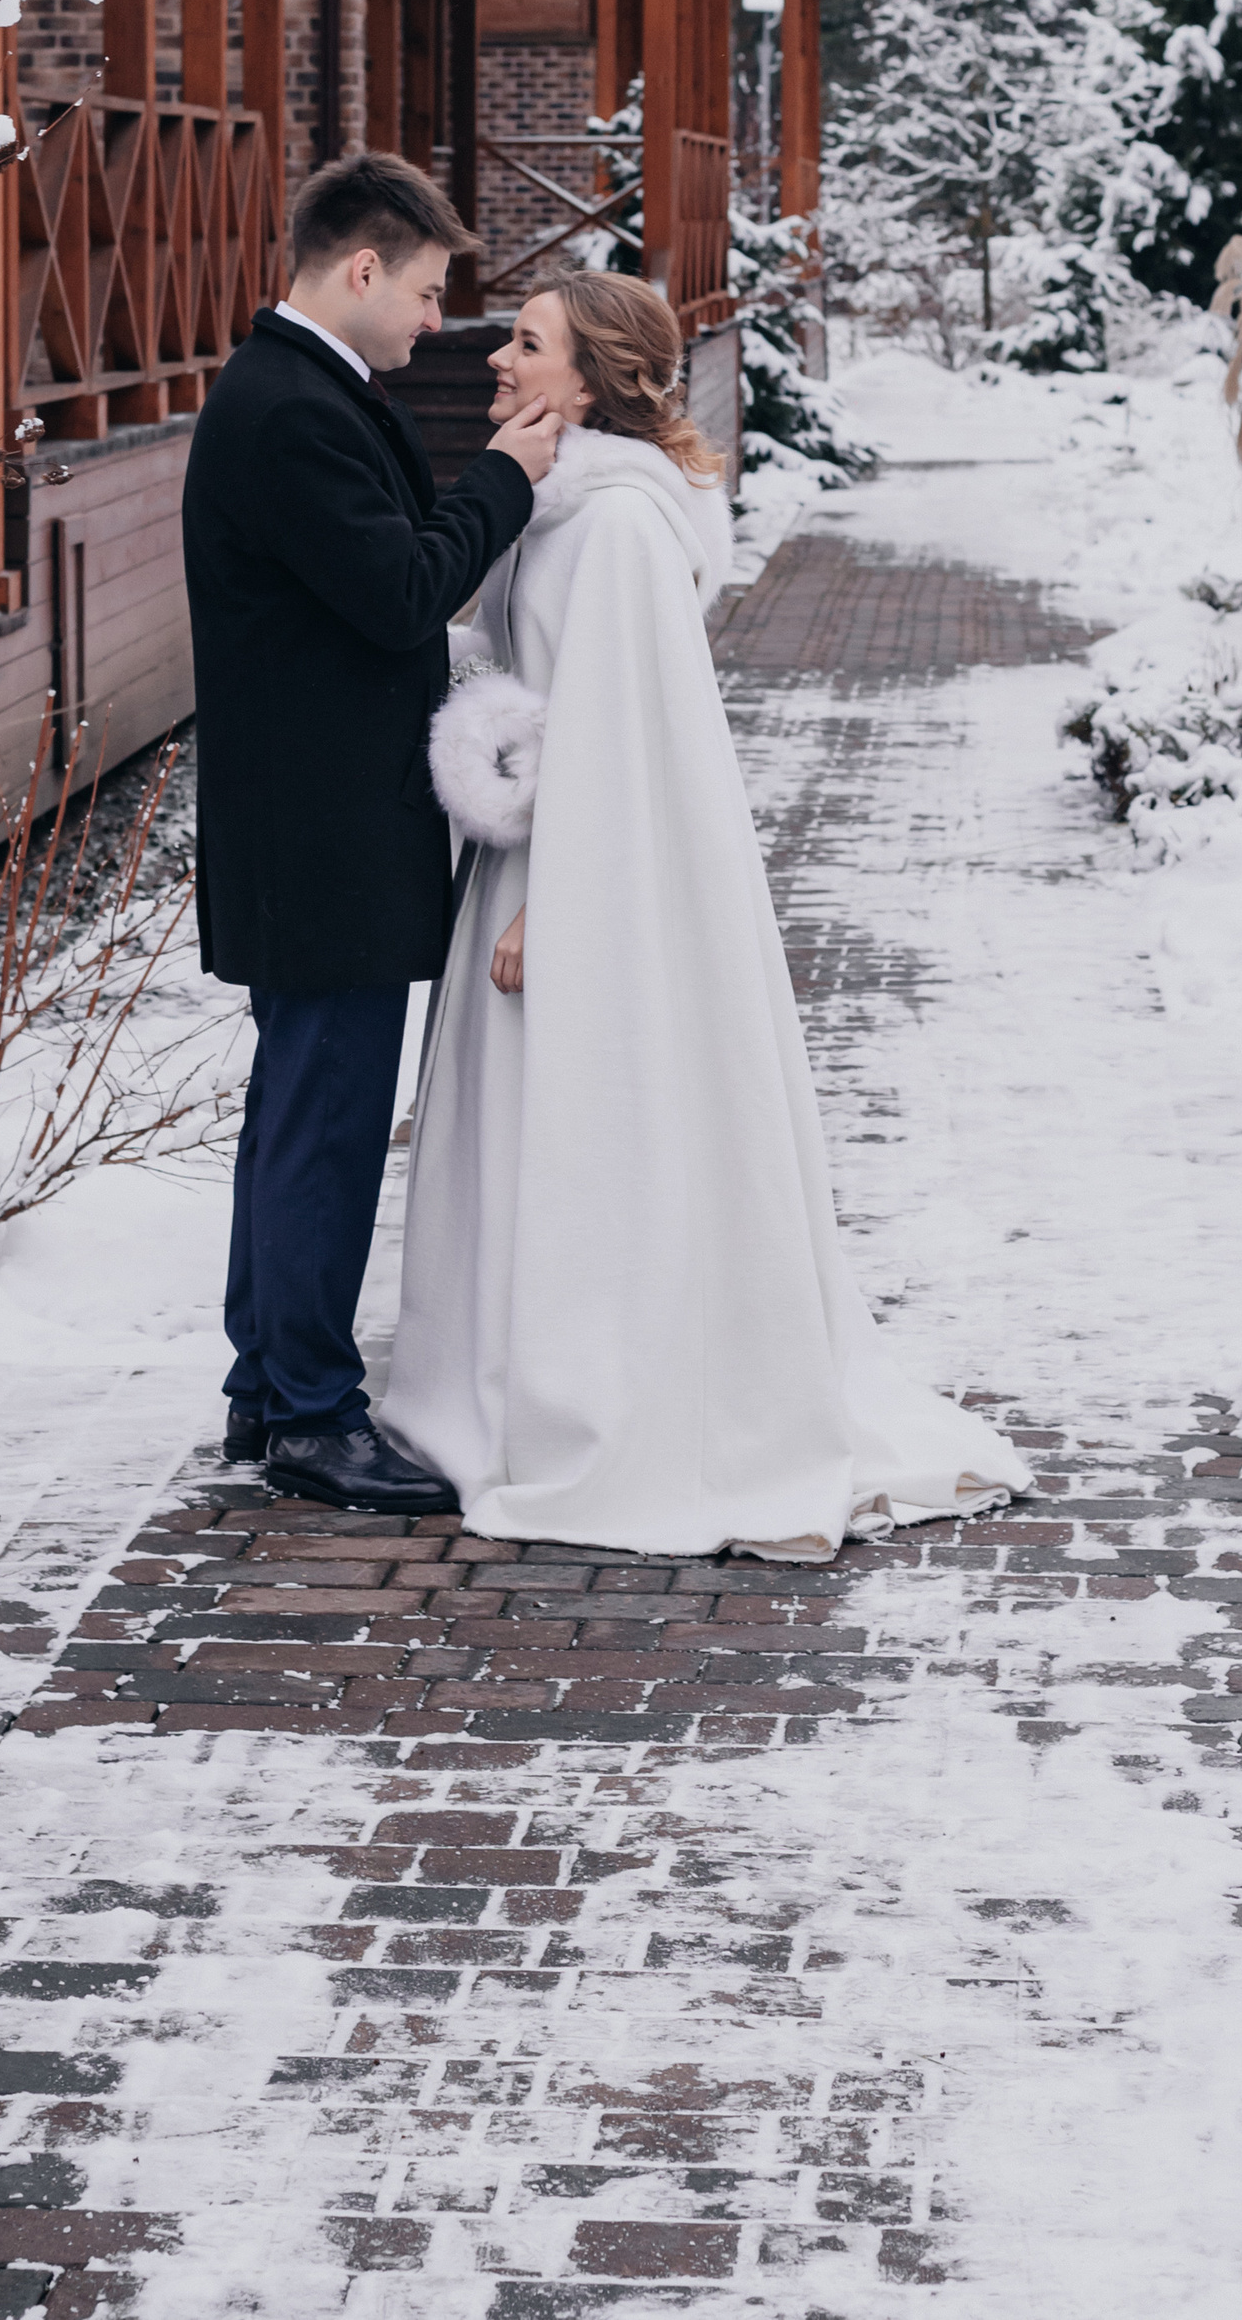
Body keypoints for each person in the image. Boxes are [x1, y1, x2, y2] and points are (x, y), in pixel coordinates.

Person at [382, 271, 1023, 1556]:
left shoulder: (615, 528)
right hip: (533, 855)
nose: (495, 360)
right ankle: (499, 1379)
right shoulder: (559, 506)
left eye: (525, 344)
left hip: (591, 874)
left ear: (593, 378)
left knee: (596, 1127)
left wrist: (552, 906)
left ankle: (612, 1396)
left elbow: (619, 734)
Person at [183, 152, 563, 1515]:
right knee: (325, 1122)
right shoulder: (288, 410)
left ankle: (263, 1386)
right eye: (421, 290)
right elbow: (401, 591)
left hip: (314, 828)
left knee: (301, 1110)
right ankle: (307, 1414)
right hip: (321, 836)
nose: (432, 322)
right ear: (358, 269)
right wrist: (506, 481)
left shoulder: (307, 390)